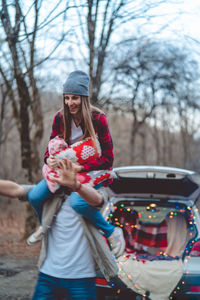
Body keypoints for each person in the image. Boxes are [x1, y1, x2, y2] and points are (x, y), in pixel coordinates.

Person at [26, 70, 125, 257]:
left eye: (75, 98)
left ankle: (112, 232)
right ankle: (45, 226)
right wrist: (49, 159)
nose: (70, 103)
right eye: (67, 98)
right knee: (35, 196)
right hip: (67, 172)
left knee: (78, 203)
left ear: (84, 98)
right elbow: (50, 148)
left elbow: (108, 159)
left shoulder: (98, 119)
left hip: (95, 171)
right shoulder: (60, 118)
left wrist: (82, 167)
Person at [0, 158, 119, 300]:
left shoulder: (93, 193)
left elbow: (97, 200)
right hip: (48, 277)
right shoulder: (51, 195)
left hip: (81, 280)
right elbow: (16, 190)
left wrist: (76, 185)